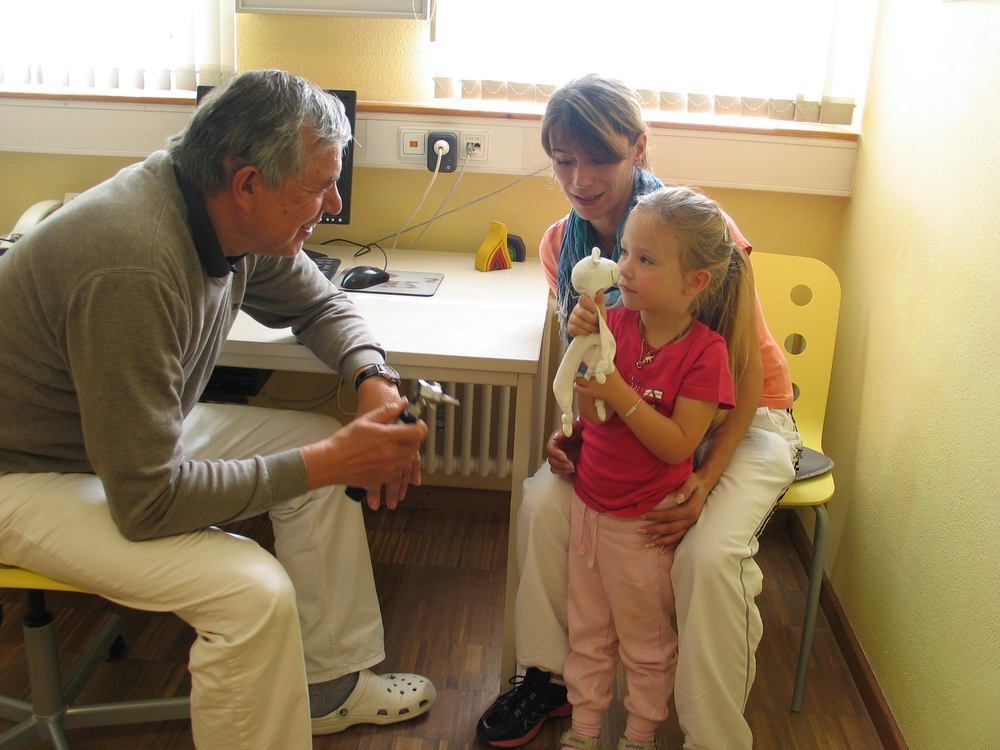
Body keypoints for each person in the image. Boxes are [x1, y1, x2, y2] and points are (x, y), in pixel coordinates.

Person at [0, 70, 436, 750]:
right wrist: (329, 462)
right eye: (320, 186)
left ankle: (330, 689)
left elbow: (321, 303)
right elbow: (147, 503)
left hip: (112, 440)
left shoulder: (224, 215)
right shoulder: (135, 263)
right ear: (248, 183)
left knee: (319, 450)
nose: (333, 202)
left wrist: (372, 378)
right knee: (251, 593)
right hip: (26, 472)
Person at [476, 75, 801, 749]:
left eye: (600, 158)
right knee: (543, 503)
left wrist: (704, 480)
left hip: (743, 422)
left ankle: (714, 737)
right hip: (634, 423)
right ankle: (548, 678)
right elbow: (590, 364)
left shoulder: (701, 233)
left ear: (639, 148)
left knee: (706, 556)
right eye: (564, 160)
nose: (580, 178)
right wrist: (571, 435)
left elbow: (745, 373)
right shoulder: (561, 246)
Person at [557, 185, 747, 750]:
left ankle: (639, 734)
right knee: (587, 632)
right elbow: (591, 409)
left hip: (643, 525)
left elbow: (678, 445)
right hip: (590, 509)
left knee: (645, 643)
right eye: (624, 253)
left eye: (645, 259)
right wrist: (583, 355)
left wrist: (618, 390)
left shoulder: (705, 353)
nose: (625, 269)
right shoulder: (616, 324)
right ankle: (584, 728)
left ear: (695, 282)